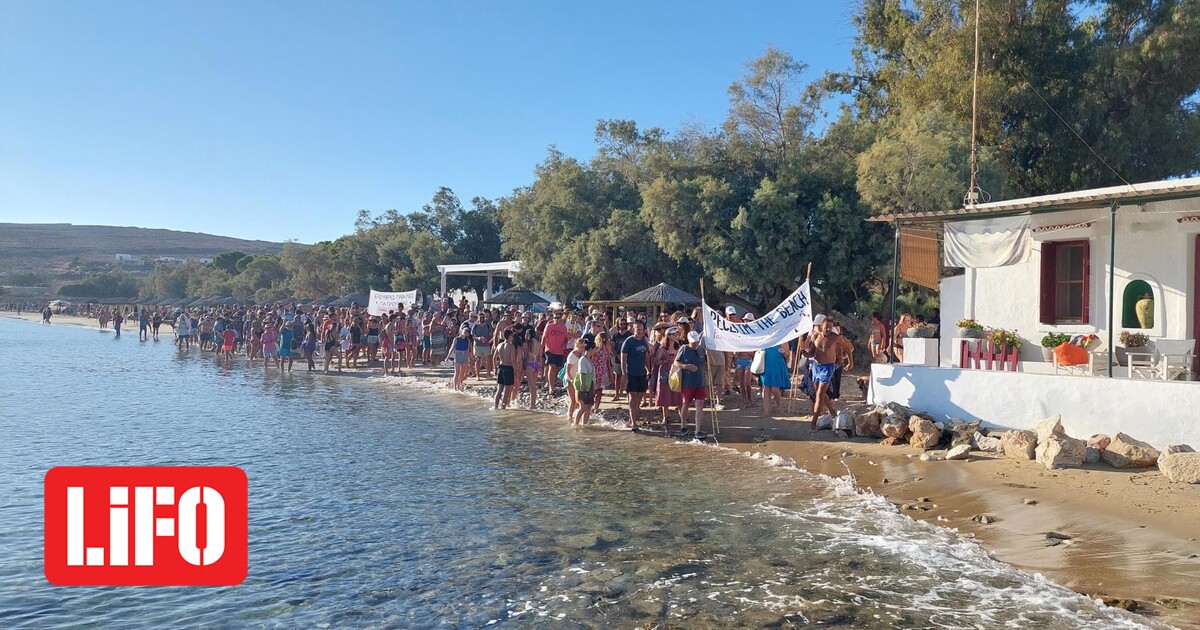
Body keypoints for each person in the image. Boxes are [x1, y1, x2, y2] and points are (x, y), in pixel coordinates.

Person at [804, 314, 841, 432]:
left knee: (820, 394)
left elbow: (849, 348)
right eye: (826, 327)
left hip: (828, 367)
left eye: (830, 327)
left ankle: (813, 423)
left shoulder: (835, 337)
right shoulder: (815, 336)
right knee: (818, 392)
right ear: (821, 326)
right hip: (816, 366)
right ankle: (832, 411)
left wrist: (845, 359)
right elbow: (812, 352)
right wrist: (806, 354)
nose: (828, 329)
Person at [676, 331, 709, 433]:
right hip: (688, 382)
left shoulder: (702, 350)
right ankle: (683, 426)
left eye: (697, 342)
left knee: (699, 404)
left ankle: (697, 429)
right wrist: (686, 366)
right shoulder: (684, 349)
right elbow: (676, 362)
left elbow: (707, 363)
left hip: (700, 381)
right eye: (693, 343)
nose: (695, 345)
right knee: (686, 403)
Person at [620, 320, 651, 428]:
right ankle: (633, 422)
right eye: (638, 329)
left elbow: (646, 357)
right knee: (633, 397)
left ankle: (632, 416)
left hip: (642, 373)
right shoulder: (629, 341)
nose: (640, 331)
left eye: (642, 330)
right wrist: (624, 374)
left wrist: (649, 370)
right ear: (633, 329)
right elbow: (623, 359)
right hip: (631, 373)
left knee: (640, 395)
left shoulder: (643, 340)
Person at [653, 326, 684, 427]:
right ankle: (665, 417)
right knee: (665, 394)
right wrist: (666, 361)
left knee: (678, 393)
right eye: (674, 334)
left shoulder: (678, 347)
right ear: (668, 336)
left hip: (675, 372)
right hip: (665, 372)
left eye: (677, 334)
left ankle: (682, 417)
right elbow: (656, 361)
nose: (676, 336)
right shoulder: (662, 348)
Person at [565, 338, 595, 426]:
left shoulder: (589, 359)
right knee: (580, 405)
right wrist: (581, 383)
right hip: (581, 383)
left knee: (588, 406)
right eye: (594, 349)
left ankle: (584, 424)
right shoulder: (581, 359)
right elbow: (581, 372)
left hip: (589, 384)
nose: (595, 351)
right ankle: (574, 422)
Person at [759, 343, 790, 417]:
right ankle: (766, 410)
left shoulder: (783, 340)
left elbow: (788, 355)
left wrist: (784, 352)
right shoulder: (764, 339)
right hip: (765, 365)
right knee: (765, 388)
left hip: (777, 365)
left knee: (775, 388)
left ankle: (778, 406)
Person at [542, 311, 569, 390]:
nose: (556, 319)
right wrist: (541, 348)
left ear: (561, 318)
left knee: (557, 368)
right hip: (550, 349)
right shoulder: (549, 326)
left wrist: (565, 343)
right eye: (554, 318)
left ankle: (553, 383)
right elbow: (544, 337)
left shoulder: (563, 328)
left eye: (558, 318)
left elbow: (566, 338)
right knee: (551, 366)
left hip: (559, 350)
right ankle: (551, 386)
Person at [493, 329, 518, 409]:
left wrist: (495, 368)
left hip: (501, 367)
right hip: (508, 368)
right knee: (506, 390)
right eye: (511, 336)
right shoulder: (511, 346)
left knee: (499, 389)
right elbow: (513, 360)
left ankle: (495, 406)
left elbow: (494, 358)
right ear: (509, 336)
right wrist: (515, 370)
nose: (512, 338)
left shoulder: (499, 345)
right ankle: (503, 407)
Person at [448, 325, 473, 391]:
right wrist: (448, 356)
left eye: (467, 332)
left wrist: (470, 357)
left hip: (465, 354)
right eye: (465, 331)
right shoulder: (456, 339)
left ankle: (458, 385)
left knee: (462, 372)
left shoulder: (468, 340)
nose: (466, 333)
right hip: (458, 354)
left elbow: (468, 349)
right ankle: (455, 387)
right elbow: (452, 348)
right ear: (461, 331)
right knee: (457, 372)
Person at [471, 313, 494, 380]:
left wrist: (486, 339)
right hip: (478, 345)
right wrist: (479, 338)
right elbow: (473, 336)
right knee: (478, 360)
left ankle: (488, 374)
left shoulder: (487, 326)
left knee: (488, 360)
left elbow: (490, 335)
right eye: (480, 317)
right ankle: (477, 376)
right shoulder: (475, 326)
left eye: (483, 317)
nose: (482, 318)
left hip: (486, 345)